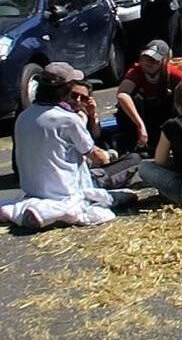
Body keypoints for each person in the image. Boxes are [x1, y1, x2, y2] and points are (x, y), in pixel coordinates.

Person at [1, 69, 132, 229]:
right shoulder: (68, 120)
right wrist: (108, 155)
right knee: (133, 164)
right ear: (64, 92)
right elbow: (99, 158)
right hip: (66, 189)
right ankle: (54, 213)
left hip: (33, 189)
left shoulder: (23, 117)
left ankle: (38, 210)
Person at [115, 40, 182, 154]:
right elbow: (122, 94)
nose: (148, 63)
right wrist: (140, 126)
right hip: (140, 118)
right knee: (135, 100)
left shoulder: (169, 72)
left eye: (154, 60)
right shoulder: (136, 71)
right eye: (145, 58)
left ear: (164, 61)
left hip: (162, 116)